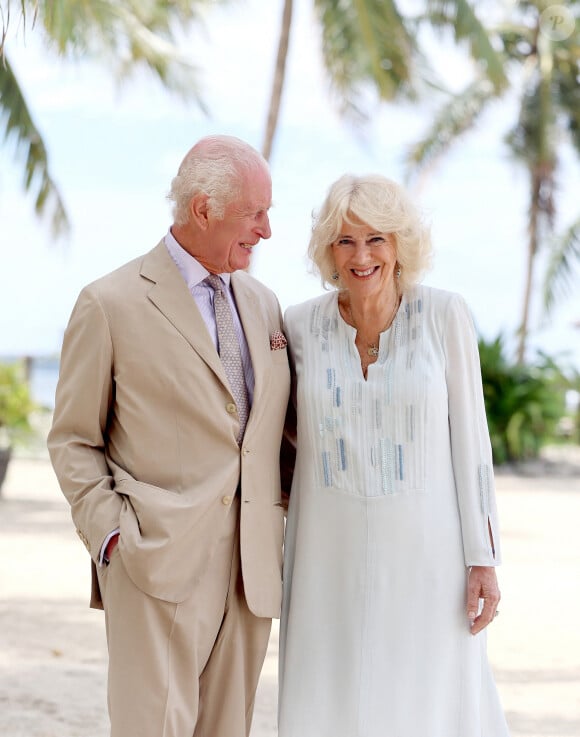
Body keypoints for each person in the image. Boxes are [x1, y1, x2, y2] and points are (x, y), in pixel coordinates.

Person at [47, 134, 291, 737]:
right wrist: (112, 537)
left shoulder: (265, 305)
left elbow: (274, 435)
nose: (266, 230)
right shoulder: (110, 303)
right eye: (255, 213)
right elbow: (73, 438)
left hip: (251, 570)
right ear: (204, 208)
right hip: (154, 562)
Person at [278, 173, 510, 737]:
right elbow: (275, 434)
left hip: (428, 556)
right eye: (346, 241)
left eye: (376, 239)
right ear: (328, 251)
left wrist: (483, 558)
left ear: (400, 244)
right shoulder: (298, 326)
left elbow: (472, 444)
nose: (362, 256)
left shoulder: (444, 315)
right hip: (323, 555)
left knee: (427, 700)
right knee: (327, 695)